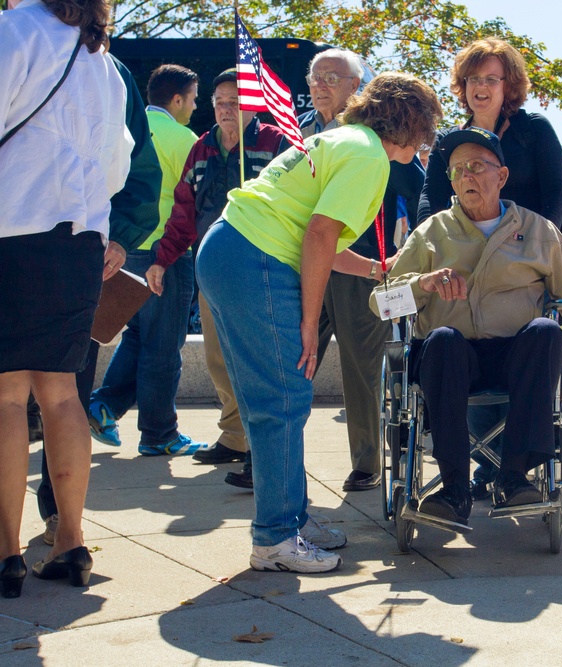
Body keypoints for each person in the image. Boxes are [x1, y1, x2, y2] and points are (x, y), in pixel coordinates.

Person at [197, 72, 442, 574]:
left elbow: (323, 239)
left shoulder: (341, 140)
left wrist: (376, 268)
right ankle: (275, 540)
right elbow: (319, 234)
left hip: (232, 249)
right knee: (283, 398)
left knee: (272, 398)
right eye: (425, 132)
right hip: (254, 258)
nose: (424, 143)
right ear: (410, 125)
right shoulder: (369, 154)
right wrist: (310, 322)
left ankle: (291, 519)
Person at [373, 127, 562, 526]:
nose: (466, 177)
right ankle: (455, 488)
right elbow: (382, 302)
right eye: (457, 170)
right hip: (454, 358)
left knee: (548, 332)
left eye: (477, 166)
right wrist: (423, 283)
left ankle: (513, 479)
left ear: (502, 176)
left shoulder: (536, 230)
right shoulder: (431, 232)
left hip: (518, 355)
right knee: (441, 341)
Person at [0, 0, 132, 598]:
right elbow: (116, 165)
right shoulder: (100, 58)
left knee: (5, 396)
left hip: (11, 225)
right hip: (79, 237)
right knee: (61, 392)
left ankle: (6, 551)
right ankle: (70, 541)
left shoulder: (15, 31)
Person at [34, 53, 163, 546]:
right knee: (56, 395)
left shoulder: (107, 69)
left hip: (72, 248)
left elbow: (141, 167)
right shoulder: (104, 66)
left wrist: (120, 236)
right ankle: (63, 529)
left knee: (58, 393)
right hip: (68, 246)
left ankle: (58, 518)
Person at [298, 49, 427, 494]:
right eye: (314, 78)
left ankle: (367, 462)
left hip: (361, 268)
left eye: (331, 77)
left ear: (357, 88)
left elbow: (420, 194)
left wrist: (404, 257)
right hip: (306, 262)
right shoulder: (301, 132)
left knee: (361, 368)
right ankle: (267, 459)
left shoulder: (380, 139)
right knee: (291, 360)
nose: (319, 85)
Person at [145, 68, 282, 469]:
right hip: (212, 269)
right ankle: (236, 437)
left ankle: (263, 446)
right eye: (219, 101)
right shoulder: (202, 148)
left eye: (234, 102)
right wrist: (161, 258)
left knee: (256, 358)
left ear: (253, 104)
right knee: (218, 358)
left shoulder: (276, 143)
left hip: (262, 267)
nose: (225, 108)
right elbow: (184, 211)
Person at [88, 63, 208, 456]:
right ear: (176, 99)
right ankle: (160, 433)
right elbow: (194, 201)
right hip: (165, 253)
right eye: (192, 99)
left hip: (120, 244)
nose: (194, 107)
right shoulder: (186, 138)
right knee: (163, 343)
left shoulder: (124, 127)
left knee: (138, 335)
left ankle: (104, 404)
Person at [418, 37, 562, 226]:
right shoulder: (445, 141)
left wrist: (540, 244)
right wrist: (424, 244)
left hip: (527, 248)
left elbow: (556, 192)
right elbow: (430, 198)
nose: (481, 85)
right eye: (473, 78)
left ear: (509, 85)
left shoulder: (535, 129)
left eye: (491, 79)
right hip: (469, 250)